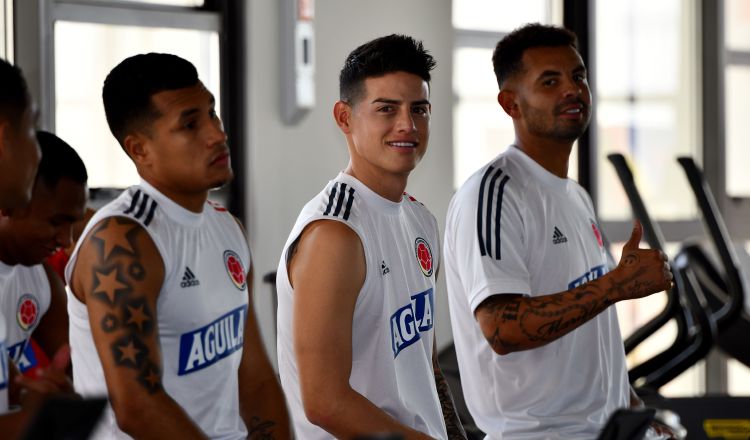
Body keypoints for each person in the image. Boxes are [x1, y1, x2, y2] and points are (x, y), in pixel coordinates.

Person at [443, 24, 675, 439]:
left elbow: (592, 334)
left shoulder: (576, 196)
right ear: (510, 103)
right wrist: (617, 284)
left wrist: (636, 412)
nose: (572, 90)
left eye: (578, 76)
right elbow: (502, 327)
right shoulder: (493, 194)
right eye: (550, 81)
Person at [65, 53, 290, 439]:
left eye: (212, 114)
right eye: (190, 124)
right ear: (140, 150)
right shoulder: (121, 241)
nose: (216, 134)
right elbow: (137, 407)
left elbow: (253, 377)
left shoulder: (227, 227)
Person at [276, 34, 465, 440]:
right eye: (386, 109)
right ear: (345, 118)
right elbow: (325, 402)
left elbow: (425, 366)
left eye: (419, 109)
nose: (407, 125)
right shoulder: (334, 233)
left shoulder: (420, 219)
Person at [0, 130, 87, 380]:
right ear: (9, 203)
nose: (66, 239)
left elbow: (75, 368)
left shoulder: (38, 276)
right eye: (56, 222)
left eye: (71, 224)